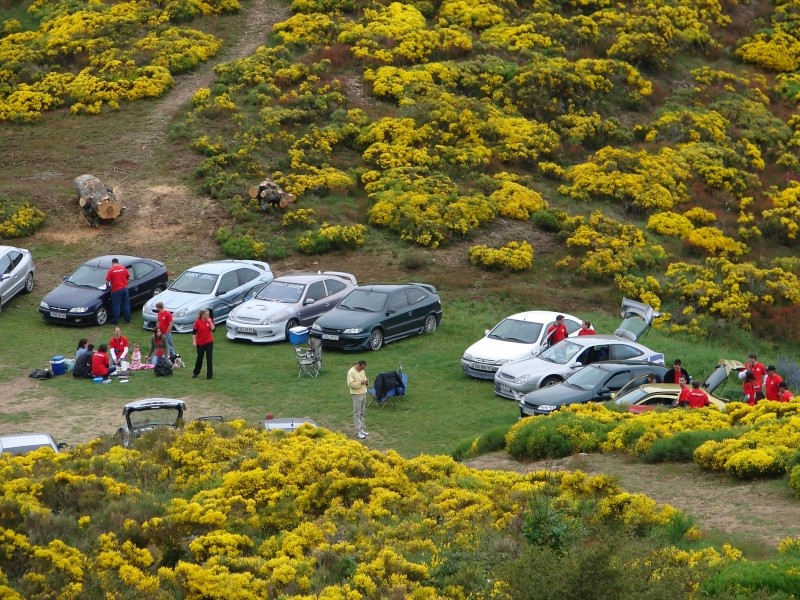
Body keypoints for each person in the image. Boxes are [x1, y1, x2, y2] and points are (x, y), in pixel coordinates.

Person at [105, 258, 131, 325]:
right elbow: (129, 277)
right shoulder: (123, 268)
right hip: (125, 289)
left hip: (116, 290)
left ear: (112, 263)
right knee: (126, 305)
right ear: (118, 262)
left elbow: (107, 281)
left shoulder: (111, 270)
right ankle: (127, 320)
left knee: (116, 306)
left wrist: (108, 286)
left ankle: (115, 321)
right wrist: (125, 282)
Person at [348, 360, 369, 439]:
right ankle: (357, 431)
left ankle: (361, 429)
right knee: (357, 413)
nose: (362, 370)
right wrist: (361, 382)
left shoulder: (362, 371)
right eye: (362, 368)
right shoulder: (351, 372)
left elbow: (365, 379)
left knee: (362, 412)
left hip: (363, 393)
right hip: (356, 395)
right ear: (359, 365)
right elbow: (350, 384)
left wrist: (366, 382)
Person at [192, 309, 215, 379]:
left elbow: (213, 330)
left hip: (209, 342)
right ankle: (196, 373)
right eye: (206, 314)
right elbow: (193, 333)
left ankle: (209, 375)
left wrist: (210, 323)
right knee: (199, 358)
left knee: (209, 358)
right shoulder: (197, 322)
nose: (208, 315)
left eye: (208, 314)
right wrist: (194, 341)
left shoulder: (210, 320)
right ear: (202, 315)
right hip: (200, 343)